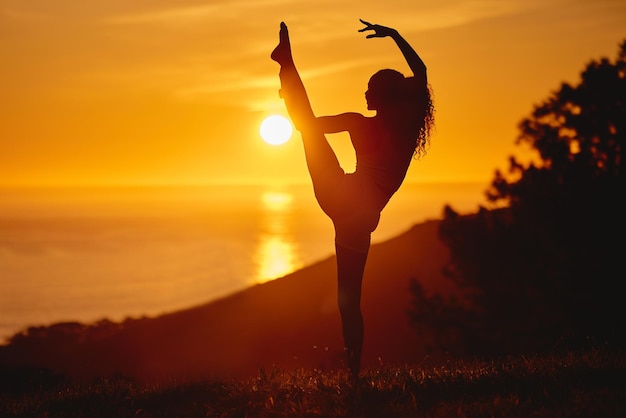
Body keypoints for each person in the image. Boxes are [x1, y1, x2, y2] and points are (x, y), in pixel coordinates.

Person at [271, 19, 434, 380]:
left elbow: (308, 124)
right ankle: (354, 374)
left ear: (381, 96)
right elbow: (420, 71)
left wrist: (293, 102)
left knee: (305, 130)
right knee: (349, 302)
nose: (364, 94)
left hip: (342, 197)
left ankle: (287, 64)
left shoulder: (359, 123)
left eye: (369, 89)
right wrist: (395, 36)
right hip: (361, 218)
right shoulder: (409, 129)